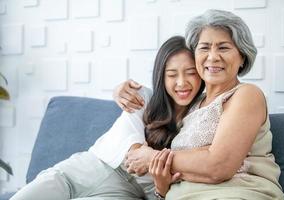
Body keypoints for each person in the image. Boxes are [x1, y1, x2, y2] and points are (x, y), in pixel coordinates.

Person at [114, 9, 284, 200]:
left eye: (223, 48)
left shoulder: (246, 95)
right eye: (204, 48)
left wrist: (151, 158)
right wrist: (121, 90)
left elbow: (218, 166)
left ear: (242, 56)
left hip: (238, 193)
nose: (212, 57)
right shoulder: (193, 103)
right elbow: (160, 95)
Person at [10, 36, 204, 200]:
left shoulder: (203, 116)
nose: (181, 83)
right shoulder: (144, 97)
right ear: (161, 77)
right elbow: (132, 150)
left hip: (128, 192)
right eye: (172, 75)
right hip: (93, 166)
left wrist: (150, 161)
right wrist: (144, 156)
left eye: (190, 73)